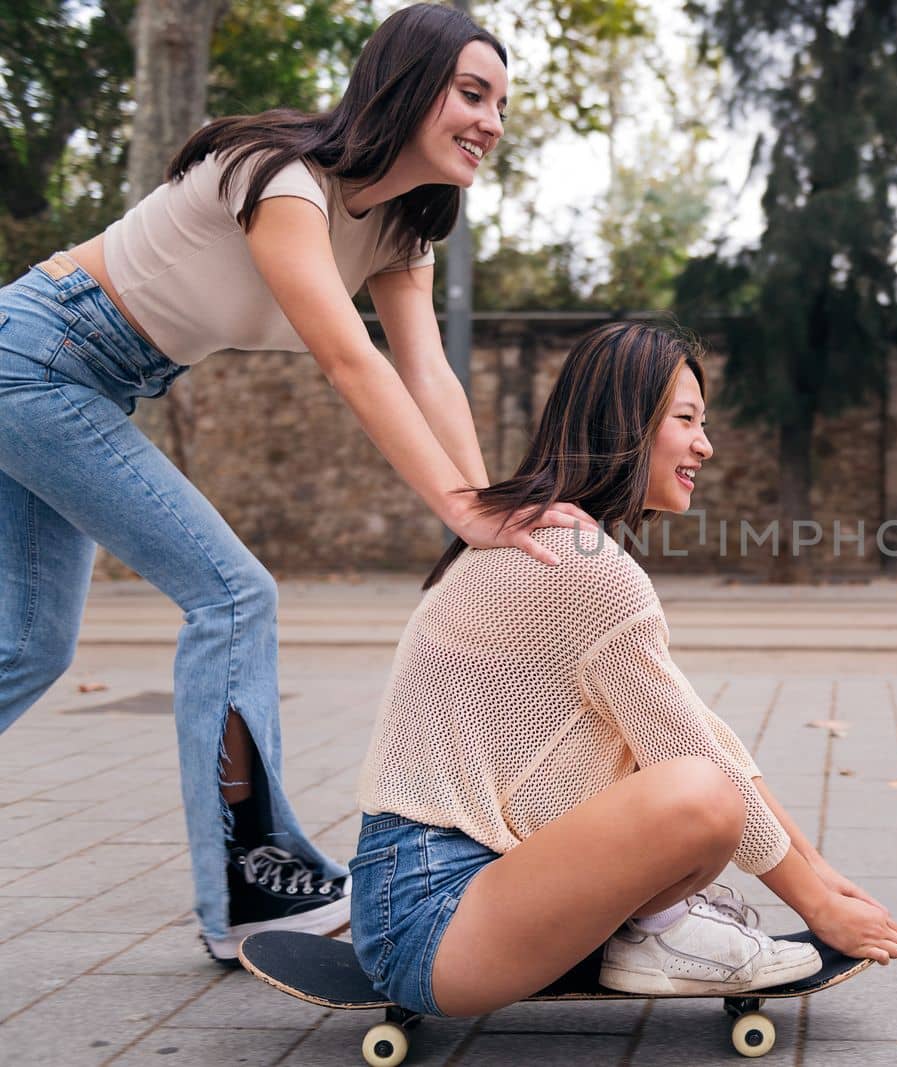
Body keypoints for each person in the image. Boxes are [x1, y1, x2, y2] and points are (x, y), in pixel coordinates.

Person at [0, 5, 590, 962]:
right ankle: (252, 884)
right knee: (233, 595)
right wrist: (457, 509)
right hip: (36, 356)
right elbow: (348, 359)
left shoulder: (401, 228)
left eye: (501, 105)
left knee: (27, 645)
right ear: (406, 84)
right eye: (471, 93)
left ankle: (253, 882)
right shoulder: (281, 177)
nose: (491, 120)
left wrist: (489, 516)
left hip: (81, 380)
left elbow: (426, 372)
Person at [351, 322, 897, 1018]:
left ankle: (652, 927)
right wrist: (820, 907)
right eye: (686, 420)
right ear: (626, 421)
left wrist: (826, 876)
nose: (705, 444)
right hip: (432, 921)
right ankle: (658, 930)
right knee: (702, 795)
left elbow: (701, 727)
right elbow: (696, 758)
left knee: (697, 767)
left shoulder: (537, 534)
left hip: (431, 895)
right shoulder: (578, 565)